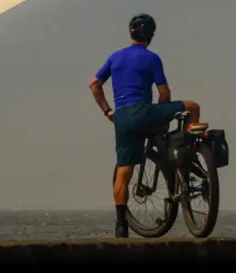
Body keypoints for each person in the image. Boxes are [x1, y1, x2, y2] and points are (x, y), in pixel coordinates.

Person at [88, 13, 206, 238]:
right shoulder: (152, 58)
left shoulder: (115, 57)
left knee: (124, 171)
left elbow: (94, 84)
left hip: (121, 117)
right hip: (144, 111)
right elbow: (164, 93)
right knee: (193, 107)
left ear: (130, 33)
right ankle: (189, 155)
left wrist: (107, 111)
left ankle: (121, 224)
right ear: (151, 35)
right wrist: (161, 113)